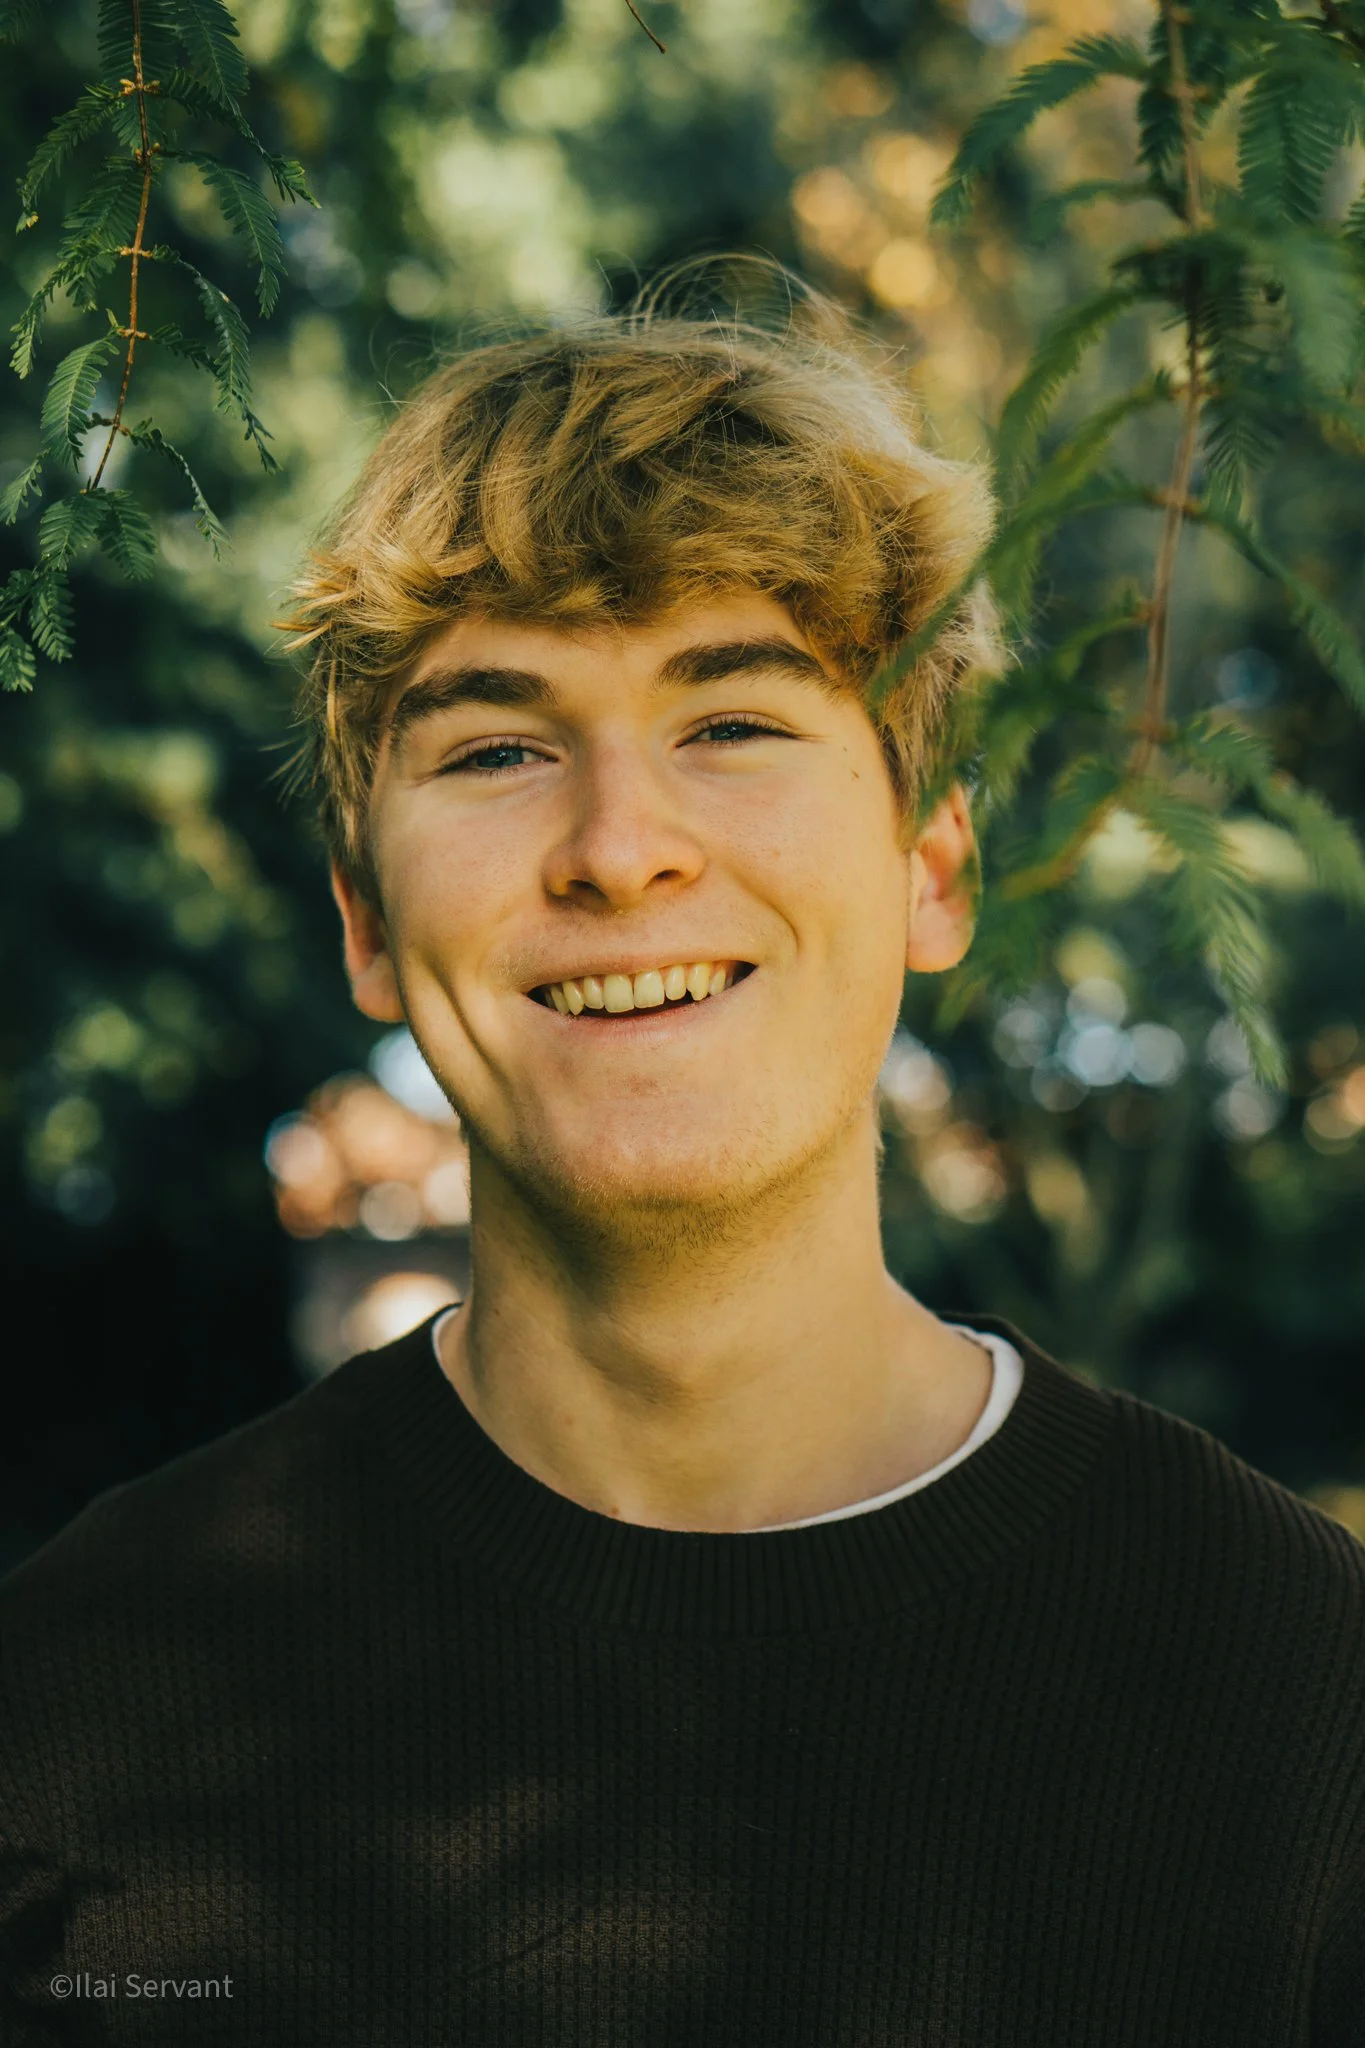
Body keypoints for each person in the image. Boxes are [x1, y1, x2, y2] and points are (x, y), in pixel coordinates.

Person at [2, 273, 1363, 2047]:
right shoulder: (75, 1716)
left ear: (931, 870)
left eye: (732, 720)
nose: (619, 849)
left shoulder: (1304, 1699)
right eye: (498, 747)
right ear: (364, 923)